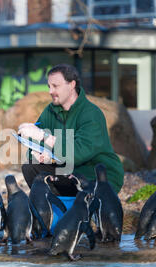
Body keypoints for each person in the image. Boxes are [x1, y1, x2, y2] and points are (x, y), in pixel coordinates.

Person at [18, 63, 124, 196]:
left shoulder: (91, 114)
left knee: (79, 180)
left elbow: (78, 153)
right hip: (68, 171)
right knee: (30, 167)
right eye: (49, 86)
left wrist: (45, 137)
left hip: (96, 175)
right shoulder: (49, 111)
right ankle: (55, 208)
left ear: (72, 85)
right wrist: (36, 153)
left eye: (55, 86)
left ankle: (80, 208)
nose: (50, 91)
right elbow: (34, 145)